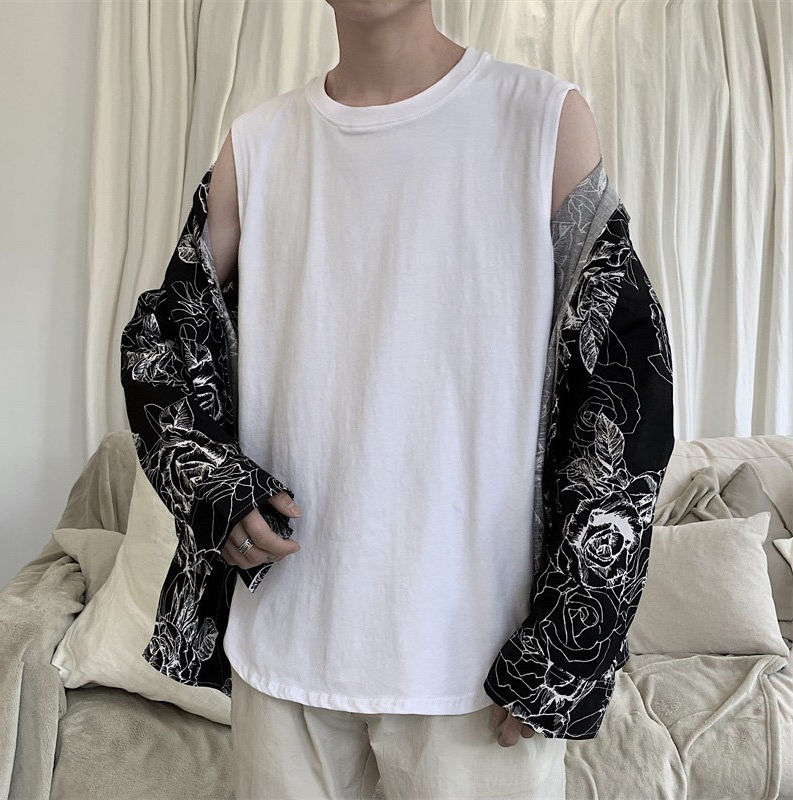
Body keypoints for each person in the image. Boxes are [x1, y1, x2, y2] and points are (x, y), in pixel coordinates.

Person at [206, 2, 606, 798]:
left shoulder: (543, 122)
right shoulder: (255, 146)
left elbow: (620, 387)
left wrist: (573, 635)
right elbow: (169, 344)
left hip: (481, 663)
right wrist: (209, 486)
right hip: (286, 649)